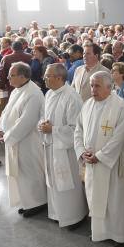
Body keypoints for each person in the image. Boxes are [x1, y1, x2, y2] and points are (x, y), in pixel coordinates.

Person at [74, 71, 124, 247]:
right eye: (92, 85)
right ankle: (100, 231)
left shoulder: (120, 107)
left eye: (97, 86)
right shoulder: (87, 105)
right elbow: (78, 130)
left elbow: (121, 137)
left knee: (114, 201)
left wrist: (100, 156)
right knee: (95, 197)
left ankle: (120, 236)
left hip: (112, 164)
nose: (93, 89)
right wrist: (81, 152)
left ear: (110, 87)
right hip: (92, 162)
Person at [39, 63, 87, 230]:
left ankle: (74, 216)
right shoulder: (49, 94)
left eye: (47, 75)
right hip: (51, 145)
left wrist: (52, 130)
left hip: (66, 151)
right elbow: (44, 116)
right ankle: (57, 213)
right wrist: (43, 125)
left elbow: (77, 128)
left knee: (68, 183)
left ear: (59, 78)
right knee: (54, 181)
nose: (44, 78)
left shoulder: (71, 97)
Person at [0, 62, 47, 217]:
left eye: (11, 75)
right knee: (19, 173)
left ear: (23, 76)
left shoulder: (34, 93)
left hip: (28, 141)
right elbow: (5, 112)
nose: (7, 77)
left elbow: (27, 121)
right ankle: (26, 201)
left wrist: (8, 136)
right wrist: (0, 130)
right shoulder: (16, 90)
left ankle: (38, 202)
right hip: (13, 140)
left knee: (30, 172)